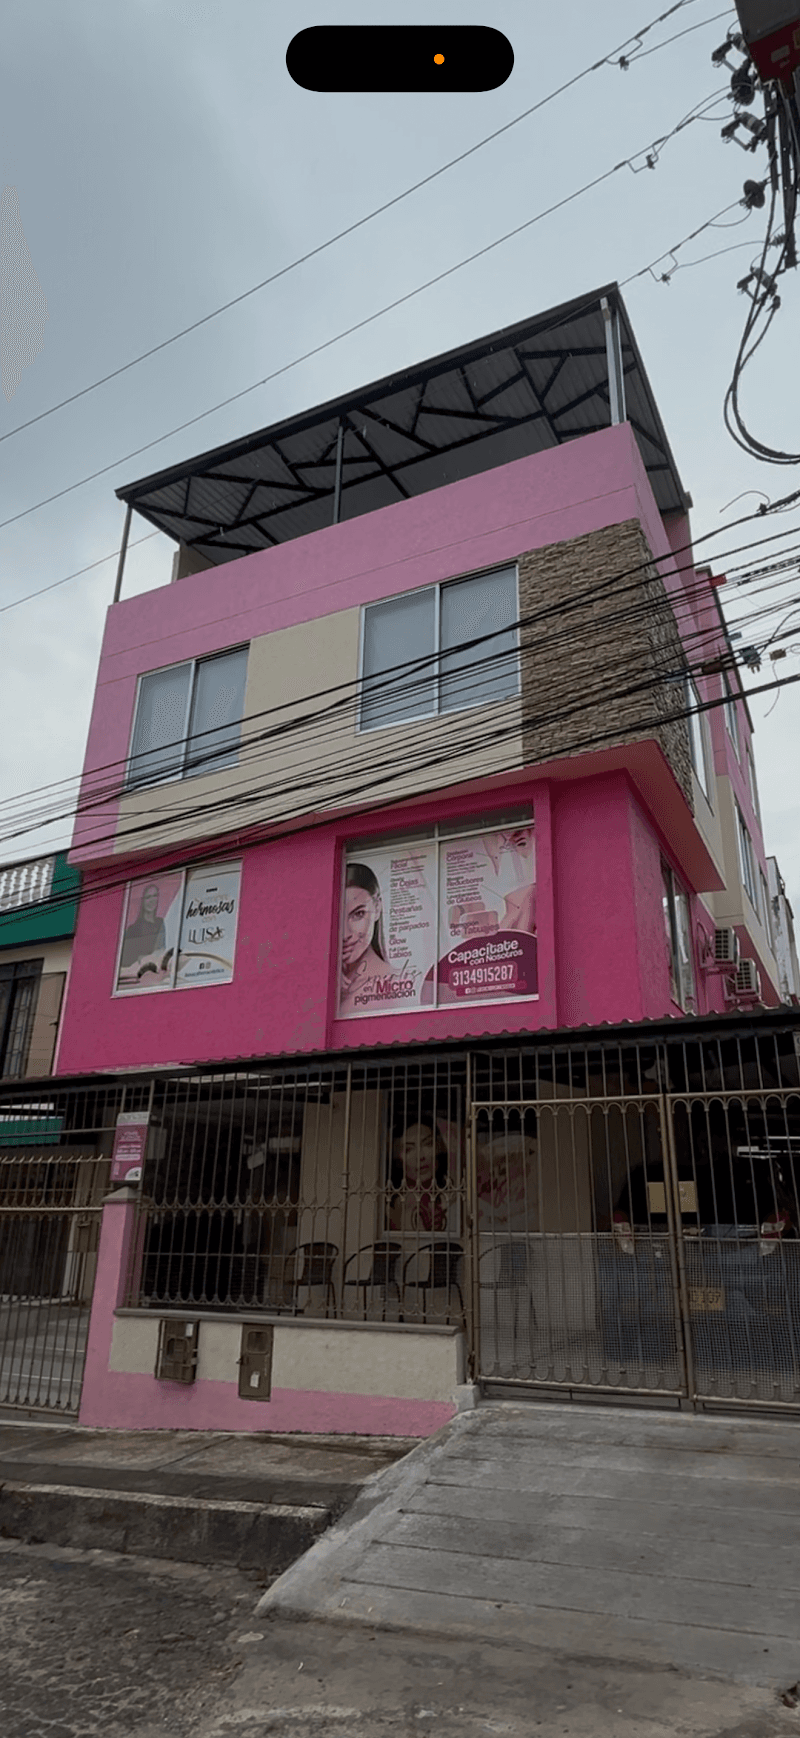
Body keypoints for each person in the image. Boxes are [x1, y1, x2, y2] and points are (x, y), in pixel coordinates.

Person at [339, 862, 389, 1013]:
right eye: (337, 917)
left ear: (377, 907)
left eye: (358, 914)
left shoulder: (395, 983)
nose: (345, 934)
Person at [388, 1121, 450, 1234]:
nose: (420, 1156)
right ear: (398, 1158)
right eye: (408, 1149)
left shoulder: (450, 1195)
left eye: (428, 1144)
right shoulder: (400, 1203)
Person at [119, 883, 167, 970]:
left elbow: (161, 949)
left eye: (154, 896)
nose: (152, 900)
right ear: (142, 901)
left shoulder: (160, 922)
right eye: (148, 897)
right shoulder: (133, 929)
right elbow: (126, 960)